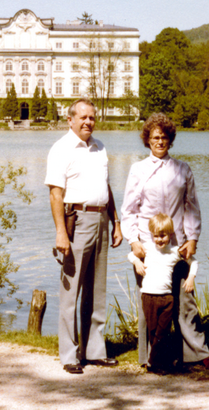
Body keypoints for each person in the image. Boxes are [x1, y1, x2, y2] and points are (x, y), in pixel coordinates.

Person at [121, 112, 209, 370]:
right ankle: (150, 356)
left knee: (185, 300)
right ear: (147, 140)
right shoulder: (138, 170)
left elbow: (191, 207)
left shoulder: (183, 169)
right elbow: (129, 209)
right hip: (148, 244)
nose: (160, 142)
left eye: (164, 137)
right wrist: (133, 241)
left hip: (177, 245)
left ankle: (197, 353)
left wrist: (193, 238)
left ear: (170, 139)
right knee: (150, 300)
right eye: (155, 137)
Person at [45, 98, 123, 374]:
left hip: (101, 218)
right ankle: (69, 355)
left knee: (96, 290)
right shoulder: (61, 149)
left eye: (92, 117)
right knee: (71, 290)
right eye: (83, 117)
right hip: (75, 221)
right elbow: (55, 194)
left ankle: (94, 350)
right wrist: (60, 233)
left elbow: (106, 186)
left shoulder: (100, 147)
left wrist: (116, 221)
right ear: (70, 120)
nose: (89, 122)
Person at [128, 213, 198, 373]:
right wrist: (137, 261)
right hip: (148, 296)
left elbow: (193, 261)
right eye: (156, 236)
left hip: (167, 298)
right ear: (151, 235)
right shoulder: (148, 249)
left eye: (163, 236)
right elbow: (131, 254)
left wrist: (191, 278)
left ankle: (155, 363)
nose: (160, 239)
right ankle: (158, 363)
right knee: (153, 331)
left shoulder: (174, 252)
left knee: (163, 331)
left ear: (170, 235)